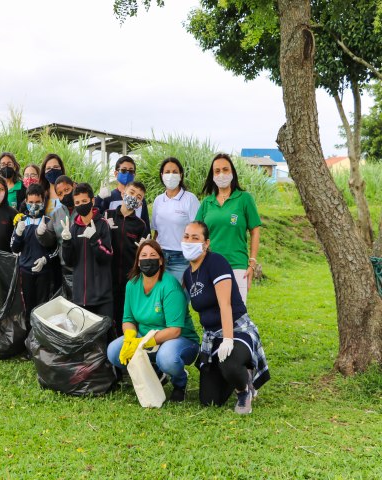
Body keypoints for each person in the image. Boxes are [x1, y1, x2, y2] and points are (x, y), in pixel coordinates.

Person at [182, 221, 269, 414]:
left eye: (195, 238)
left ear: (206, 243)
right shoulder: (187, 275)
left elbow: (225, 305)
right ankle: (232, 373)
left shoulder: (216, 262)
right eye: (186, 236)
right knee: (209, 400)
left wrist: (228, 339)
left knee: (229, 361)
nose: (189, 241)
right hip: (212, 335)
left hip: (236, 329)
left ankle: (244, 389)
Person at [106, 239, 200, 401]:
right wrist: (130, 337)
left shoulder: (169, 285)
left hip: (179, 338)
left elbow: (175, 329)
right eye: (143, 255)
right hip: (144, 336)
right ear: (137, 261)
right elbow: (128, 319)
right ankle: (155, 373)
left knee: (167, 358)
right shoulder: (132, 285)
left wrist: (143, 342)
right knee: (114, 352)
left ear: (161, 260)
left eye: (153, 255)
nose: (147, 259)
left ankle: (180, 382)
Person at [195, 153, 261, 303]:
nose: (221, 174)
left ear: (232, 172)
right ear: (212, 175)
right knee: (213, 312)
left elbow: (255, 230)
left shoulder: (244, 199)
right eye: (217, 171)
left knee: (237, 313)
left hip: (237, 265)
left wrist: (252, 262)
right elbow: (197, 234)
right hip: (210, 265)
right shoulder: (207, 203)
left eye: (225, 169)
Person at [61, 183, 114, 319]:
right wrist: (66, 242)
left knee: (105, 336)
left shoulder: (102, 224)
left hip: (102, 296)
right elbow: (69, 260)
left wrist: (95, 239)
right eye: (77, 202)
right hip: (81, 296)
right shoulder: (73, 228)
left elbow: (107, 256)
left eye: (84, 201)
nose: (81, 205)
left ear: (92, 201)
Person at [11, 183, 57, 324]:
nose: (34, 205)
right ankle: (28, 340)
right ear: (25, 201)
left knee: (43, 308)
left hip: (45, 273)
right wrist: (18, 233)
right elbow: (14, 248)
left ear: (43, 201)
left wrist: (45, 260)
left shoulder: (49, 222)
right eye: (31, 202)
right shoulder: (21, 221)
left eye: (38, 202)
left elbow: (56, 249)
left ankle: (40, 341)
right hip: (25, 271)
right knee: (27, 307)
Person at [105, 181, 148, 335]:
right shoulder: (107, 215)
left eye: (138, 197)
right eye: (131, 193)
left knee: (126, 314)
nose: (133, 198)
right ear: (123, 193)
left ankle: (125, 343)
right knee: (107, 314)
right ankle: (108, 344)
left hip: (129, 278)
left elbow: (144, 252)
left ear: (140, 203)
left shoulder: (140, 225)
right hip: (107, 275)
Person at [151, 157, 200, 282]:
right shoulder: (158, 200)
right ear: (162, 175)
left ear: (181, 175)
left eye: (174, 172)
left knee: (179, 298)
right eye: (167, 172)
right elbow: (156, 232)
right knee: (160, 298)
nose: (171, 175)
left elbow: (198, 231)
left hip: (182, 258)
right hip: (160, 256)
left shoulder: (190, 199)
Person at [96, 155, 150, 235]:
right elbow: (96, 217)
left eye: (131, 171)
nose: (127, 173)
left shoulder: (140, 200)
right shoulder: (108, 197)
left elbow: (146, 226)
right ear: (116, 173)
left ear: (134, 174)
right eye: (124, 170)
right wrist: (99, 198)